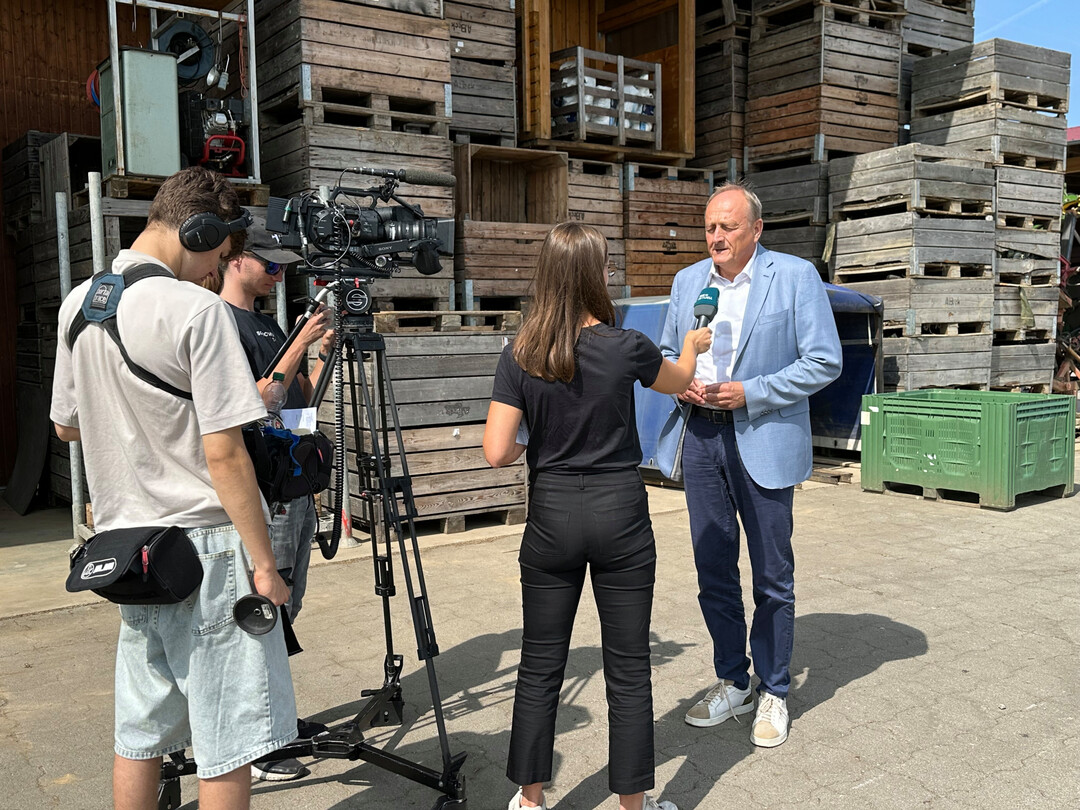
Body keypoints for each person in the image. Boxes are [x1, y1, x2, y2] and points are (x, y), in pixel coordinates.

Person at [50, 167, 297, 810]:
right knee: (228, 740)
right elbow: (225, 453)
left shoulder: (79, 304)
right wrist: (265, 565)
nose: (218, 269)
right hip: (209, 548)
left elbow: (65, 426)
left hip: (131, 549)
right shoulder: (197, 311)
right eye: (218, 254)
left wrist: (133, 426)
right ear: (200, 229)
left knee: (140, 734)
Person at [483, 222, 712, 810]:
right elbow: (681, 382)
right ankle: (632, 805)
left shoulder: (523, 351)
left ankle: (530, 799)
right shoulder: (627, 344)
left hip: (552, 513)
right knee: (629, 670)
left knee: (539, 666)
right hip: (621, 513)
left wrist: (540, 441)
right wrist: (690, 346)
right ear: (594, 274)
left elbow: (495, 450)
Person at [658, 182, 842, 748]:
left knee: (771, 574)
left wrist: (753, 391)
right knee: (713, 569)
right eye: (710, 226)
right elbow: (667, 353)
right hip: (702, 440)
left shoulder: (794, 276)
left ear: (756, 231)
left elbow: (824, 360)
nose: (716, 236)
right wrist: (682, 380)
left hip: (761, 435)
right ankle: (733, 680)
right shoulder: (688, 282)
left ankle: (776, 689)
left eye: (728, 227)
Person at [217, 227, 335, 780]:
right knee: (264, 611)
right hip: (261, 490)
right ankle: (257, 742)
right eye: (270, 263)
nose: (279, 273)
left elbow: (296, 408)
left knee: (290, 605)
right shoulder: (221, 323)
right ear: (237, 261)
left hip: (292, 484)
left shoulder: (267, 323)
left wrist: (317, 360)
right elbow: (257, 400)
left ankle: (278, 719)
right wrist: (297, 346)